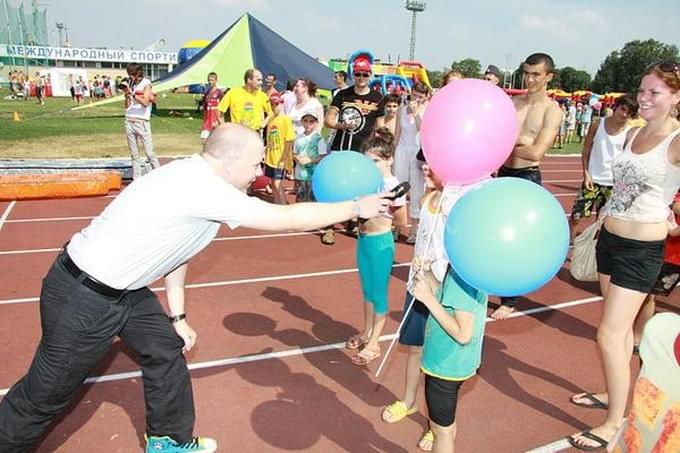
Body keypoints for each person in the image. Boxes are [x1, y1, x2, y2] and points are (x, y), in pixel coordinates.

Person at [0, 123, 393, 453]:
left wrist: (178, 316)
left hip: (123, 291)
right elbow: (285, 217)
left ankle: (168, 441)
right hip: (83, 296)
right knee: (43, 397)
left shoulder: (199, 179)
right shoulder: (203, 187)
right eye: (255, 161)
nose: (259, 170)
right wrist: (356, 208)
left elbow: (176, 250)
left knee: (164, 347)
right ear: (229, 159)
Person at [567, 60, 680, 451]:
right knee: (615, 335)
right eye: (643, 90)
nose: (645, 98)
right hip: (609, 240)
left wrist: (675, 221)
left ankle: (615, 421)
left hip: (641, 250)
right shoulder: (632, 132)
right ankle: (612, 391)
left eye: (656, 93)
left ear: (676, 97)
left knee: (609, 334)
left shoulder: (677, 140)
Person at [379, 163, 448, 450]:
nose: (424, 165)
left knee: (438, 360)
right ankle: (408, 400)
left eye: (433, 161)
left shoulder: (457, 204)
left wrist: (435, 272)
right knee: (415, 349)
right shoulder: (426, 198)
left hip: (443, 292)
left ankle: (438, 425)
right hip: (417, 286)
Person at [491, 53, 562, 320]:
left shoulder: (552, 110)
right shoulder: (512, 103)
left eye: (536, 75)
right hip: (502, 174)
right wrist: (521, 142)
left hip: (527, 177)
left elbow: (536, 153)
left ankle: (509, 299)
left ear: (548, 77)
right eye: (527, 73)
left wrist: (516, 141)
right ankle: (491, 282)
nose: (530, 79)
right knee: (495, 234)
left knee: (517, 240)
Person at [410, 253, 489, 452]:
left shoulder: (460, 277)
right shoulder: (471, 269)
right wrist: (427, 274)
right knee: (445, 423)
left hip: (445, 367)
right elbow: (446, 297)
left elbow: (463, 334)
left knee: (440, 431)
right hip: (457, 362)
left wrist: (427, 299)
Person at [347, 129, 407, 366]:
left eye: (376, 161)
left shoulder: (392, 185)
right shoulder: (366, 182)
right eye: (367, 160)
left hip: (381, 243)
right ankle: (366, 331)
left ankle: (374, 343)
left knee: (379, 294)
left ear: (389, 159)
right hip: (363, 240)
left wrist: (386, 209)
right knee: (367, 291)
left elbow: (401, 221)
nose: (372, 165)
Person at [322, 57, 386, 245]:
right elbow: (328, 120)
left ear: (370, 75)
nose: (361, 77)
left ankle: (354, 223)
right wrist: (340, 125)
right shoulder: (343, 95)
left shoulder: (378, 98)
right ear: (352, 75)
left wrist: (380, 147)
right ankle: (329, 227)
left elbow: (380, 127)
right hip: (341, 148)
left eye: (365, 74)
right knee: (335, 188)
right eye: (357, 74)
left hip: (362, 151)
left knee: (360, 189)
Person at [569, 94, 639, 243]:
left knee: (603, 222)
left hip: (612, 184)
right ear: (616, 107)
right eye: (623, 109)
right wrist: (586, 174)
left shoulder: (629, 133)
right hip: (592, 180)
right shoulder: (597, 124)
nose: (624, 115)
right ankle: (568, 243)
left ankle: (596, 249)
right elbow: (586, 150)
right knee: (576, 216)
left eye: (629, 113)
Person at [394, 82, 431, 244]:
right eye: (415, 95)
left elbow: (423, 131)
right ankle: (397, 226)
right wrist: (392, 154)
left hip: (417, 151)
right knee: (399, 188)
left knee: (417, 190)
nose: (416, 99)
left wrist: (416, 113)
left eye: (420, 97)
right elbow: (397, 134)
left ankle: (414, 229)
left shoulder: (428, 110)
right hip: (402, 149)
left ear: (425, 98)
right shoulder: (401, 110)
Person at [121, 63, 160, 180]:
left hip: (141, 121)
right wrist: (127, 95)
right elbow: (127, 106)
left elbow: (145, 102)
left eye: (132, 74)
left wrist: (133, 94)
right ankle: (136, 179)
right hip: (129, 119)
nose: (131, 76)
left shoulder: (146, 83)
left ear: (138, 73)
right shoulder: (131, 83)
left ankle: (160, 176)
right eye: (129, 74)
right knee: (134, 154)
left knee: (149, 153)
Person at [217, 69, 272, 133]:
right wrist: (224, 127)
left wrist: (264, 123)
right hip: (237, 133)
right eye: (258, 80)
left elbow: (270, 113)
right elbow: (219, 111)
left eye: (261, 80)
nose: (261, 83)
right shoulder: (233, 93)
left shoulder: (262, 96)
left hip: (255, 133)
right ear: (249, 80)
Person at [263, 92, 295, 204]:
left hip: (279, 158)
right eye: (271, 104)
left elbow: (289, 140)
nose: (273, 107)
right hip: (270, 158)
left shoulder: (286, 119)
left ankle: (283, 207)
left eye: (276, 104)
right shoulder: (271, 120)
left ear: (281, 104)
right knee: (273, 184)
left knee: (277, 184)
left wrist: (283, 159)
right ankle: (278, 206)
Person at [293, 111, 327, 202]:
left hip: (313, 175)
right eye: (306, 121)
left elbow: (323, 156)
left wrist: (310, 160)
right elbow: (295, 153)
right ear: (302, 122)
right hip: (300, 174)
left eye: (311, 121)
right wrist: (297, 158)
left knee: (312, 200)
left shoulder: (319, 139)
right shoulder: (298, 137)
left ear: (316, 123)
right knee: (300, 199)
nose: (308, 124)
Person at [200, 72, 224, 144]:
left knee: (216, 141)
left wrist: (220, 120)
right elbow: (204, 108)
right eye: (209, 80)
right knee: (204, 141)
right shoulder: (207, 93)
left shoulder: (219, 92)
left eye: (212, 80)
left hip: (216, 119)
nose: (210, 82)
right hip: (207, 119)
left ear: (216, 81)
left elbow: (222, 107)